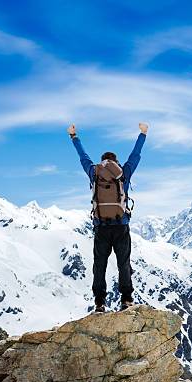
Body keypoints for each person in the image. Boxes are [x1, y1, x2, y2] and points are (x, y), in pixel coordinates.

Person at [68, 122, 148, 312]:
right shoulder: (123, 174)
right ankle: (127, 300)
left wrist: (74, 136)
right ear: (116, 162)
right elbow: (135, 156)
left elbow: (83, 157)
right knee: (124, 263)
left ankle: (99, 303)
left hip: (101, 227)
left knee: (100, 265)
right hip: (121, 226)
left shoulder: (94, 173)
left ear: (102, 162)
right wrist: (143, 134)